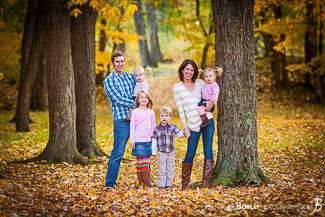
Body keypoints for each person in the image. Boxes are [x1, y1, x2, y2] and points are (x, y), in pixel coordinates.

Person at [173, 59, 217, 190]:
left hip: (207, 120)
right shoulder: (177, 88)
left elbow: (210, 97)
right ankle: (185, 184)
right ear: (182, 70)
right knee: (190, 153)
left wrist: (211, 105)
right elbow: (181, 110)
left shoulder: (201, 83)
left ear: (195, 72)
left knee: (208, 150)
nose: (189, 72)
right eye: (187, 69)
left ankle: (206, 182)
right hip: (192, 125)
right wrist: (185, 127)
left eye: (192, 70)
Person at [103, 52, 136, 188]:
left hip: (137, 119)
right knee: (118, 153)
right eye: (117, 61)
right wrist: (136, 104)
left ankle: (146, 181)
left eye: (122, 61)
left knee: (143, 151)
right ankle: (110, 183)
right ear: (112, 63)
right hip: (121, 121)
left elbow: (140, 91)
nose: (120, 64)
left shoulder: (130, 77)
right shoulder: (109, 80)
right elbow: (117, 99)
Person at [151, 105, 185, 190]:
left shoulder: (172, 126)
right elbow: (154, 140)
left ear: (170, 117)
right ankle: (161, 185)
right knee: (162, 169)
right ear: (159, 117)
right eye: (162, 116)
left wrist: (185, 133)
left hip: (171, 152)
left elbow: (179, 134)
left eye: (166, 116)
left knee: (170, 169)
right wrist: (153, 151)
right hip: (161, 152)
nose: (164, 118)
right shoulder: (157, 128)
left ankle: (169, 184)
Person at [130, 90, 156, 187]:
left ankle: (147, 182)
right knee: (139, 162)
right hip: (137, 141)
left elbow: (153, 127)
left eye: (146, 97)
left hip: (147, 140)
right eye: (141, 97)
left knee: (146, 162)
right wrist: (132, 141)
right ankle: (141, 182)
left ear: (148, 100)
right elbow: (132, 127)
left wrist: (154, 141)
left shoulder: (151, 112)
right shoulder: (135, 112)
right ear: (138, 100)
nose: (144, 99)